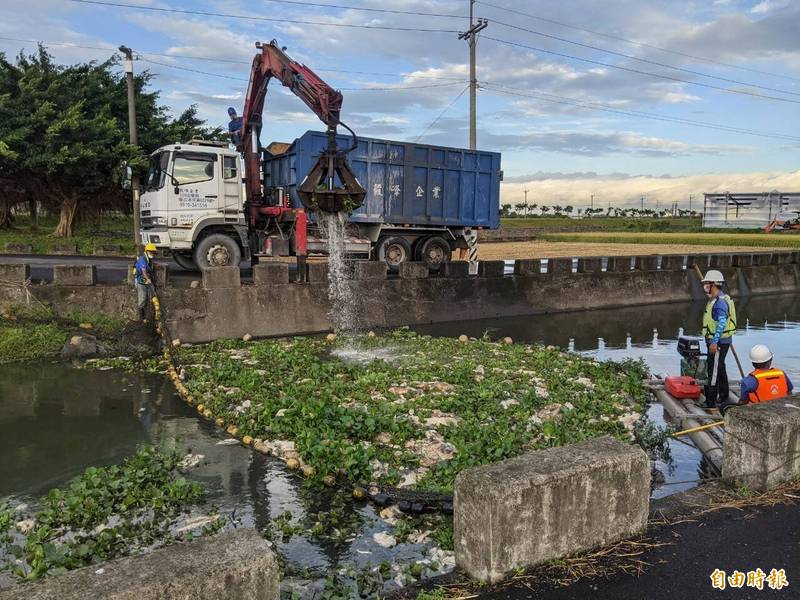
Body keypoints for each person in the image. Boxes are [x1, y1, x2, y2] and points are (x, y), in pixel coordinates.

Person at [700, 269, 737, 410]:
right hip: (722, 341)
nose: (705, 286)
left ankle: (711, 403)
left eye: (707, 283)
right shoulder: (717, 299)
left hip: (718, 343)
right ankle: (724, 396)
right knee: (720, 367)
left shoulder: (720, 303)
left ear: (713, 284)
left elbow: (721, 323)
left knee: (714, 370)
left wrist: (714, 341)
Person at [134, 243, 157, 322]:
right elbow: (144, 272)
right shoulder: (142, 259)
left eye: (153, 252)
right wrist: (148, 279)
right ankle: (142, 318)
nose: (152, 253)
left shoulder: (149, 260)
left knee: (151, 297)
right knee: (143, 299)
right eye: (151, 252)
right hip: (141, 281)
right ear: (147, 251)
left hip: (147, 281)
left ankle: (151, 317)